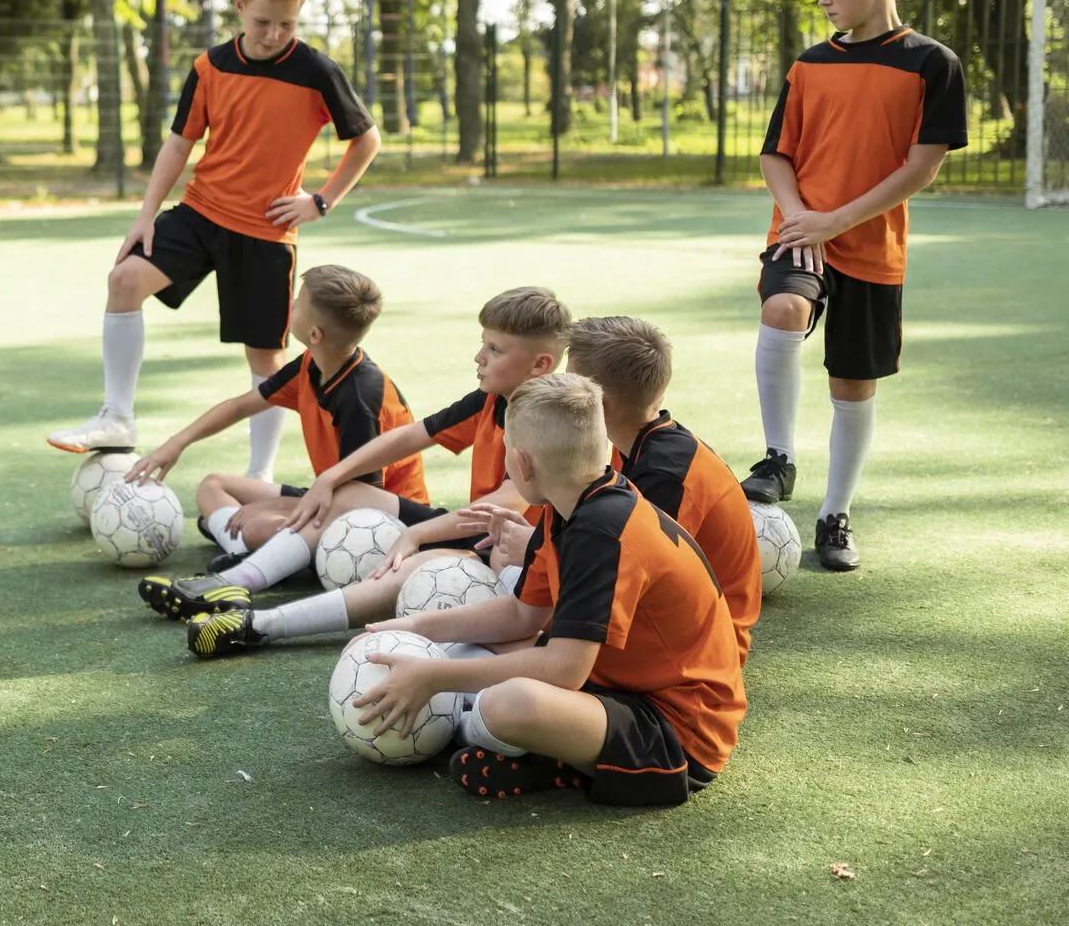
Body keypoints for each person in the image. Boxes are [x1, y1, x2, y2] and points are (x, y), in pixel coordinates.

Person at [45, 0, 382, 485]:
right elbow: (180, 144)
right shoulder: (210, 66)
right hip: (201, 213)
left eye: (287, 23)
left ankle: (260, 474)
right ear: (239, 5)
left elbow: (367, 140)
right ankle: (117, 418)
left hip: (265, 234)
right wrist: (146, 216)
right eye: (262, 22)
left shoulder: (318, 71)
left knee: (265, 362)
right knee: (124, 280)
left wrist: (321, 201)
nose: (274, 34)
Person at [353, 374, 746, 806]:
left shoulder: (601, 532)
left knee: (508, 704)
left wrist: (434, 677)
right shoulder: (571, 505)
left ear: (522, 464)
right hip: (617, 687)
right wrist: (417, 627)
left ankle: (527, 751)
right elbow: (521, 615)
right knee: (479, 651)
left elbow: (564, 670)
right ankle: (545, 753)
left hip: (677, 731)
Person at [741, 0, 967, 571]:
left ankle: (834, 514)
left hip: (871, 247)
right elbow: (776, 156)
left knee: (853, 383)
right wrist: (798, 218)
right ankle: (779, 457)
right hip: (801, 232)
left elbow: (921, 166)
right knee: (782, 309)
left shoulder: (932, 64)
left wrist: (836, 220)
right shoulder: (809, 65)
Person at [183, 288, 570, 658]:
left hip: (515, 554)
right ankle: (235, 582)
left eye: (495, 349)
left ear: (540, 365)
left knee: (415, 570)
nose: (478, 357)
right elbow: (407, 437)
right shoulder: (491, 400)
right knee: (348, 493)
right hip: (483, 536)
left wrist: (418, 533)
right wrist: (330, 477)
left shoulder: (545, 420)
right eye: (483, 343)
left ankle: (258, 625)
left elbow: (505, 503)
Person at [124, 265, 430, 621]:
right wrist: (176, 443)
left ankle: (252, 562)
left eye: (298, 303)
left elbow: (358, 501)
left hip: (379, 521)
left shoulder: (361, 397)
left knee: (256, 526)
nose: (291, 306)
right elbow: (241, 405)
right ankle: (266, 553)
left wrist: (278, 507)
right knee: (214, 485)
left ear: (315, 333)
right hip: (329, 497)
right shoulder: (311, 366)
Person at [470, 316, 762, 662]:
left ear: (599, 405)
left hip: (695, 645)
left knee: (495, 641)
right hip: (655, 622)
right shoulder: (628, 447)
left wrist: (542, 556)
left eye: (570, 383)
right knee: (507, 585)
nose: (559, 388)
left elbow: (633, 578)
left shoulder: (667, 476)